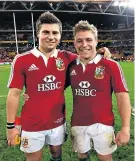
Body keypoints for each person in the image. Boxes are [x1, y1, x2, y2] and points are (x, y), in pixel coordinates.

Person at [6, 12, 110, 161]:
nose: (51, 36)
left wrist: (103, 51)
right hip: (31, 123)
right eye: (46, 32)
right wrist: (11, 127)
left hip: (57, 121)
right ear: (38, 34)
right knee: (34, 158)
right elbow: (14, 94)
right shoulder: (22, 60)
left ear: (60, 35)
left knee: (56, 153)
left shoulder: (67, 57)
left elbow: (88, 57)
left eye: (55, 32)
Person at [65, 21, 131, 161]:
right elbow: (56, 87)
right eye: (79, 41)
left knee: (105, 158)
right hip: (78, 123)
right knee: (82, 156)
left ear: (96, 41)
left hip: (103, 125)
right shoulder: (70, 66)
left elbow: (122, 97)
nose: (84, 44)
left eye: (89, 39)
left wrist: (125, 128)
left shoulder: (111, 65)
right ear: (74, 43)